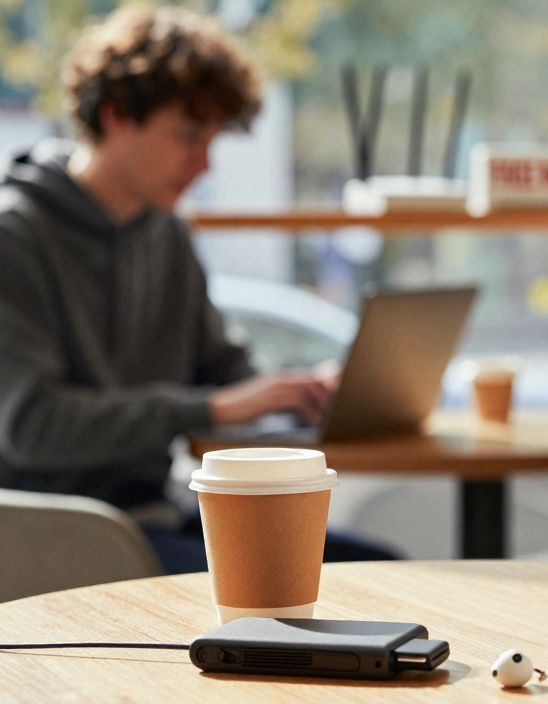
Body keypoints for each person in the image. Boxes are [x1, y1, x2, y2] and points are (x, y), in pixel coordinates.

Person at [0, 7, 394, 572]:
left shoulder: (167, 233)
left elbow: (221, 368)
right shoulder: (16, 236)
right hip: (57, 532)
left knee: (378, 567)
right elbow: (31, 427)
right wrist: (210, 405)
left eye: (212, 140)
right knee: (313, 582)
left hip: (153, 515)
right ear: (115, 116)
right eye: (187, 136)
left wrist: (293, 391)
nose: (204, 163)